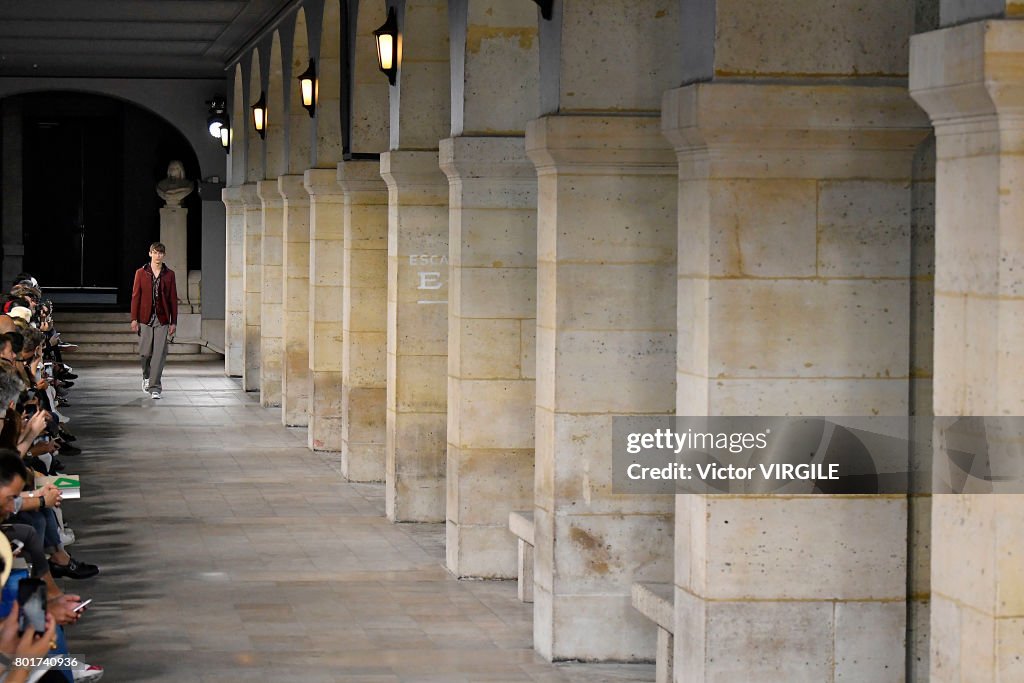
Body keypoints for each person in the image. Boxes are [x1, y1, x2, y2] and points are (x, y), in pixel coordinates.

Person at [130, 243, 177, 400]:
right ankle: (146, 376)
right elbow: (136, 296)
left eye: (161, 253)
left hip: (162, 318)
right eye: (155, 252)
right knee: (145, 353)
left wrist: (173, 321)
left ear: (164, 255)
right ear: (150, 253)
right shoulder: (141, 273)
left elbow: (172, 299)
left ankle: (155, 387)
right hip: (145, 317)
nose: (158, 256)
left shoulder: (169, 274)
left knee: (159, 354)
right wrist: (134, 318)